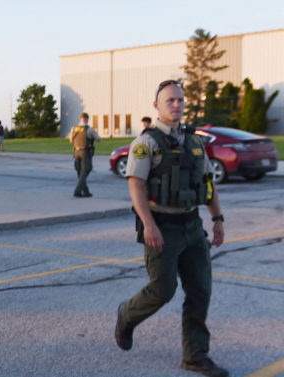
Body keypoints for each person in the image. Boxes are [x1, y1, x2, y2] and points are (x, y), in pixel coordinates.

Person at [115, 80, 228, 377]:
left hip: (192, 226)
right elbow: (136, 187)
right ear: (156, 106)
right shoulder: (146, 143)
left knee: (200, 291)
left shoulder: (194, 141)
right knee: (163, 290)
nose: (176, 105)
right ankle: (127, 315)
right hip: (162, 227)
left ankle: (195, 356)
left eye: (180, 99)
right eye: (170, 100)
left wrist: (217, 219)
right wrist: (149, 225)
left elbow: (207, 184)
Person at [69, 112, 101, 197]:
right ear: (87, 119)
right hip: (85, 152)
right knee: (86, 170)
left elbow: (71, 141)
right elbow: (98, 139)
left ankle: (86, 191)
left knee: (80, 171)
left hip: (76, 152)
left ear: (80, 119)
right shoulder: (89, 129)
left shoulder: (73, 128)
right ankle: (77, 192)